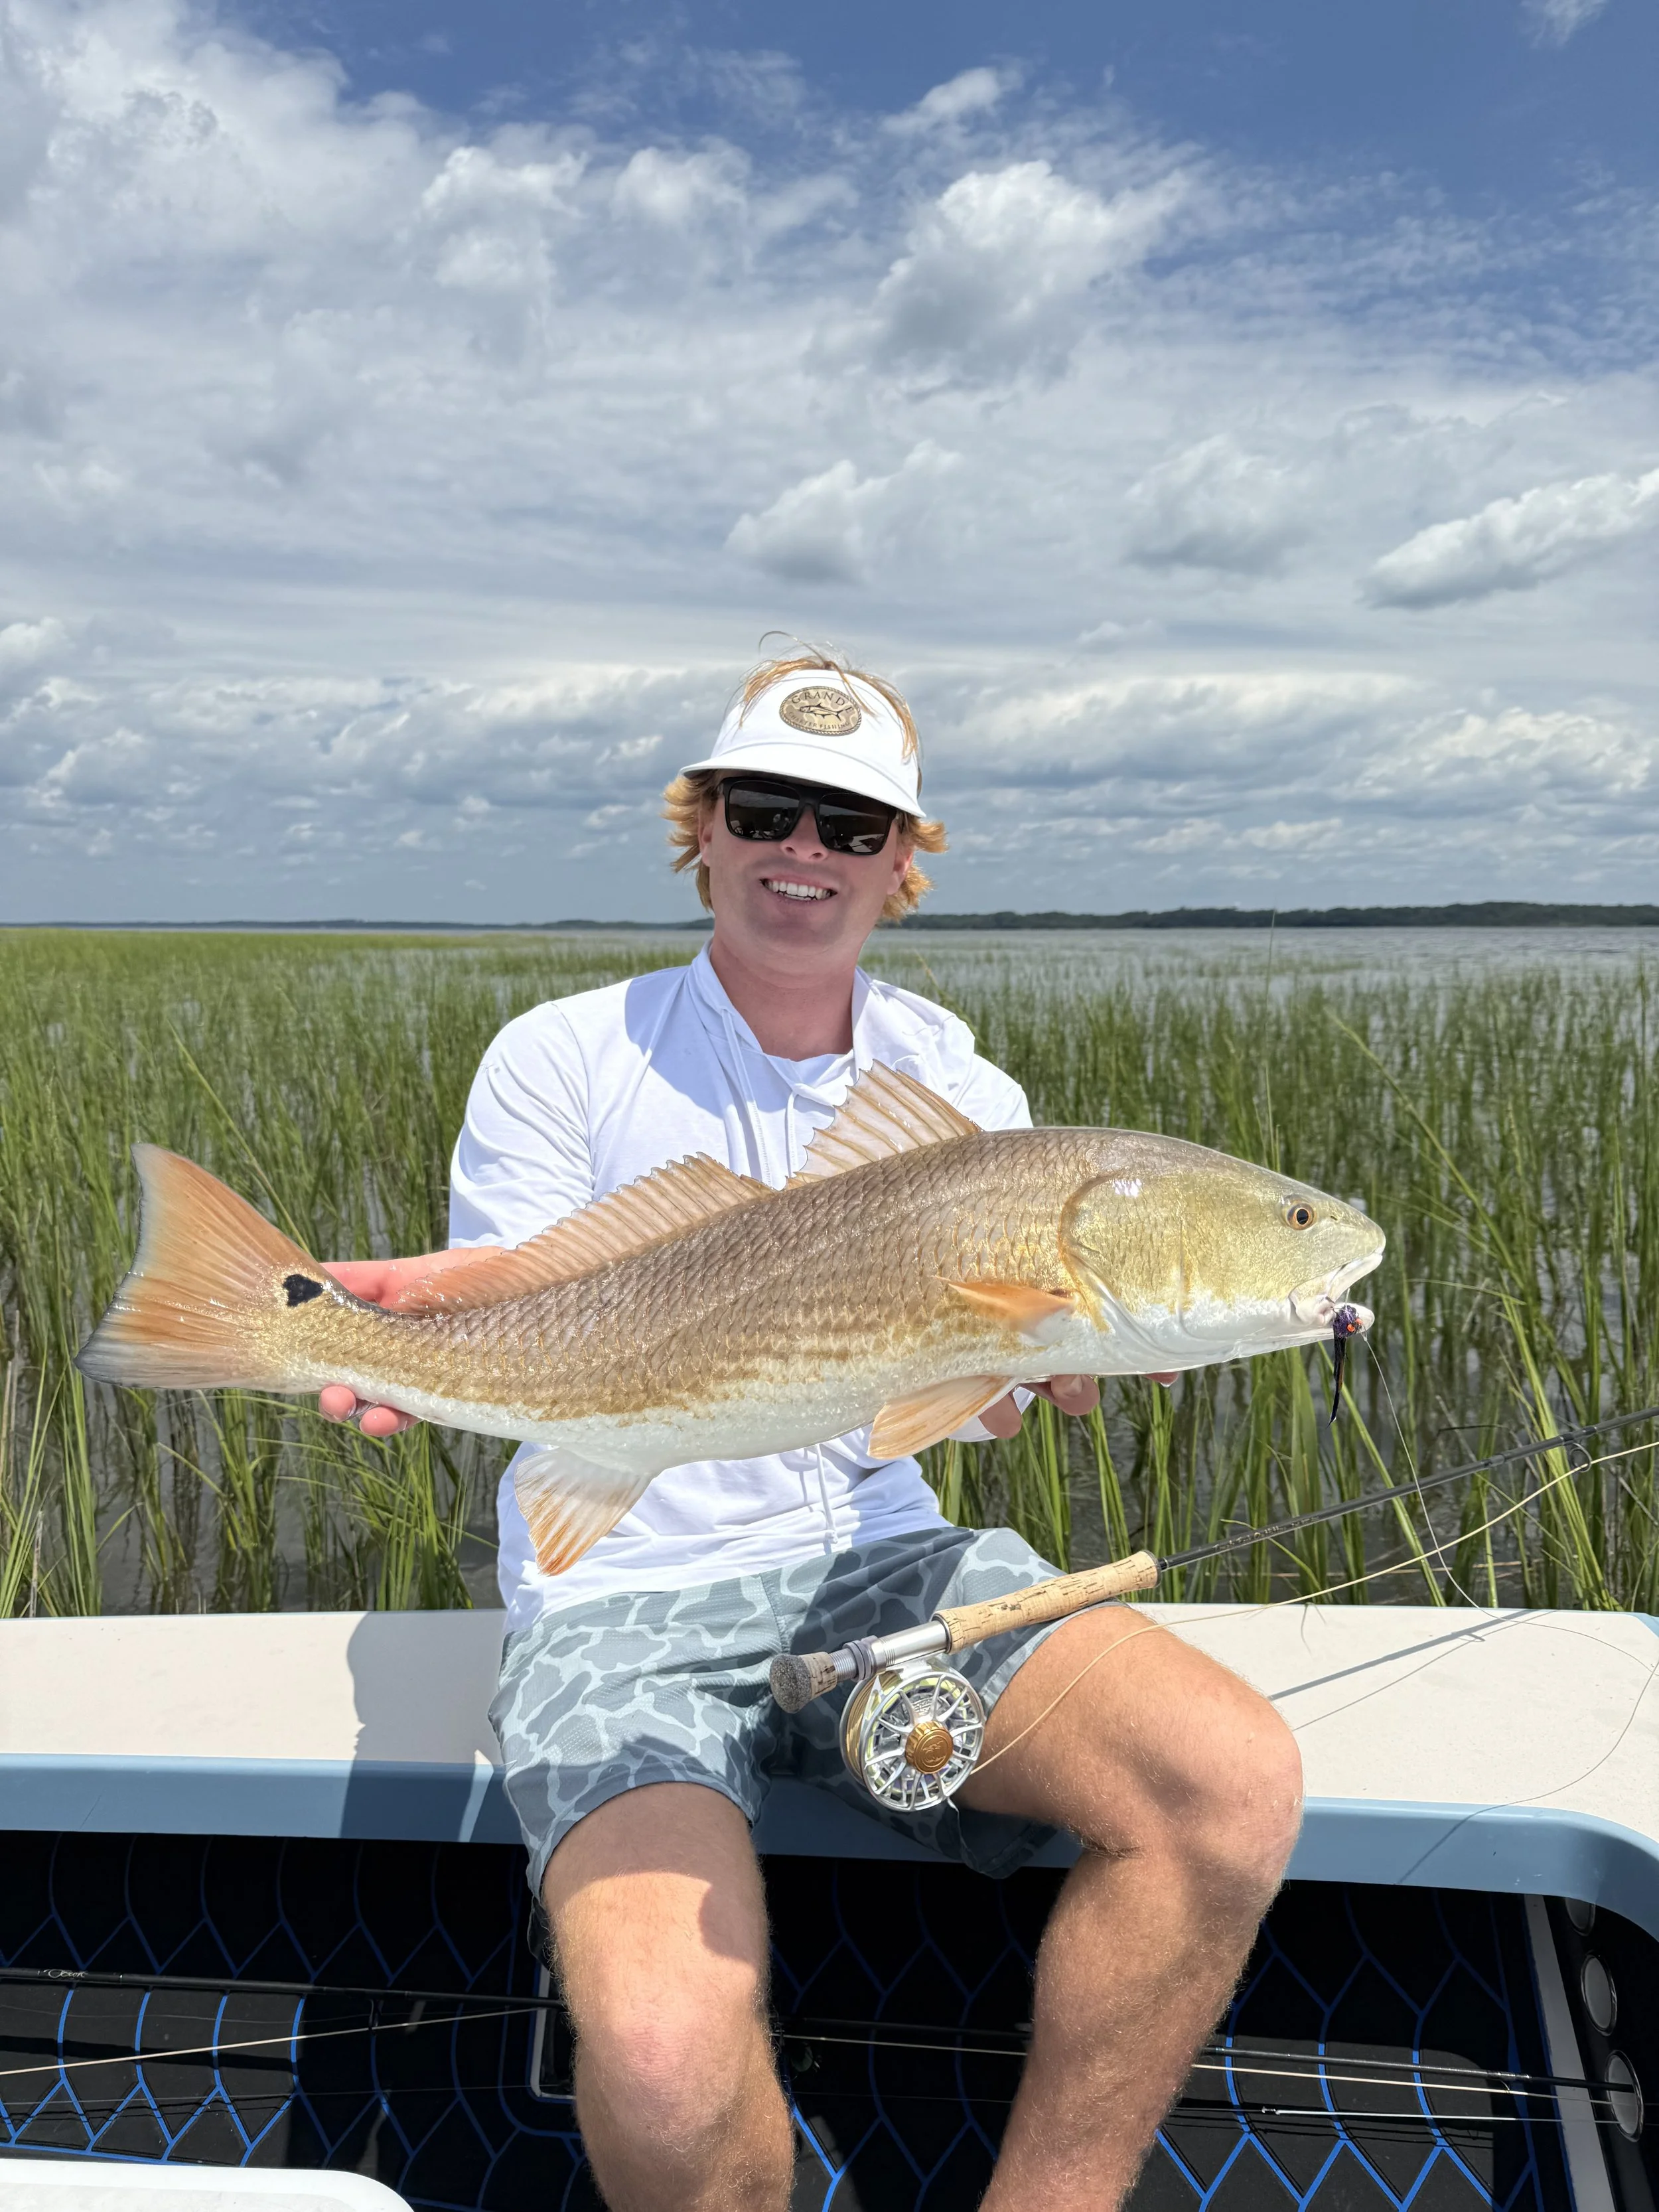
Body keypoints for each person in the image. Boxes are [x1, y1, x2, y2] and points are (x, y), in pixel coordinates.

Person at [319, 653, 1303, 2212]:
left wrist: (1039, 1363)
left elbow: (951, 1404)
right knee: (649, 2050)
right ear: (698, 828)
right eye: (765, 809)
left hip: (881, 1560)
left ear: (902, 863)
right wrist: (397, 1331)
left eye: (852, 826)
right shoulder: (562, 1054)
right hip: (616, 1596)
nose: (805, 853)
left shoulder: (957, 1080)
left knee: (1226, 1780)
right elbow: (524, 1294)